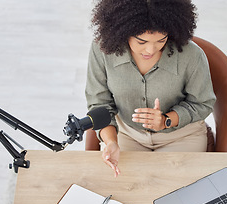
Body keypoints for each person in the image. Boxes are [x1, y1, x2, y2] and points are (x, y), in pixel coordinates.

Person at [85, 0, 216, 177]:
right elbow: (99, 104)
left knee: (177, 189)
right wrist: (111, 142)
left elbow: (202, 103)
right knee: (122, 185)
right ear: (123, 31)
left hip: (181, 135)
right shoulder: (102, 50)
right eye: (141, 41)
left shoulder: (192, 56)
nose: (151, 49)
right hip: (127, 134)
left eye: (161, 40)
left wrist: (166, 120)